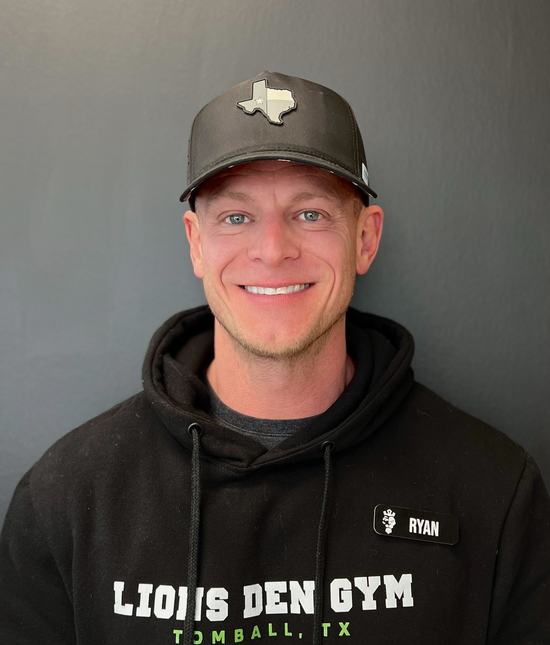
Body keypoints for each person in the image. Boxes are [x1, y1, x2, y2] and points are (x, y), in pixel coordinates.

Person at [1, 71, 549, 645]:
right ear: (195, 243)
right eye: (236, 217)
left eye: (310, 213)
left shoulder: (493, 492)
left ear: (365, 240)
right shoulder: (65, 501)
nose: (272, 250)